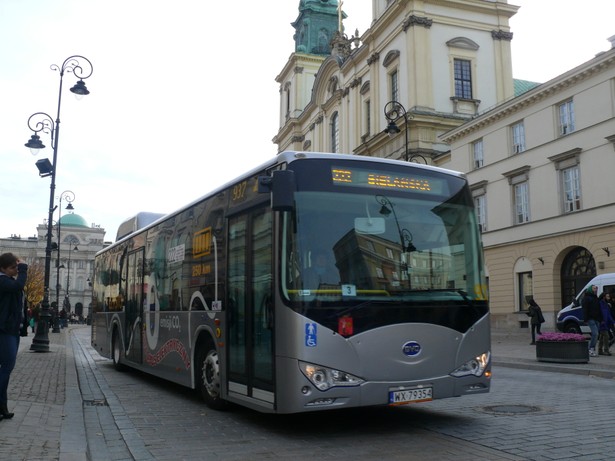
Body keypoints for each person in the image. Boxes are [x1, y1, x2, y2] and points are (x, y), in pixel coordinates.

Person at [0, 252, 28, 420]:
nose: (16, 271)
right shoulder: (2, 281)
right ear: (2, 268)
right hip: (4, 330)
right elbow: (18, 287)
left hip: (11, 329)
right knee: (7, 366)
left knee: (6, 369)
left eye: (16, 268)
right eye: (13, 268)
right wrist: (24, 269)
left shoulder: (8, 280)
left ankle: (2, 406)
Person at [582, 284, 602, 357]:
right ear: (590, 289)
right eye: (594, 288)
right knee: (595, 333)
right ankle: (591, 349)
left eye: (596, 288)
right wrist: (585, 319)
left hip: (597, 318)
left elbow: (598, 309)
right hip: (591, 318)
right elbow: (585, 309)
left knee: (596, 334)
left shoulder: (595, 298)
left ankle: (591, 349)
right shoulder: (587, 298)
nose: (596, 289)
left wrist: (600, 319)